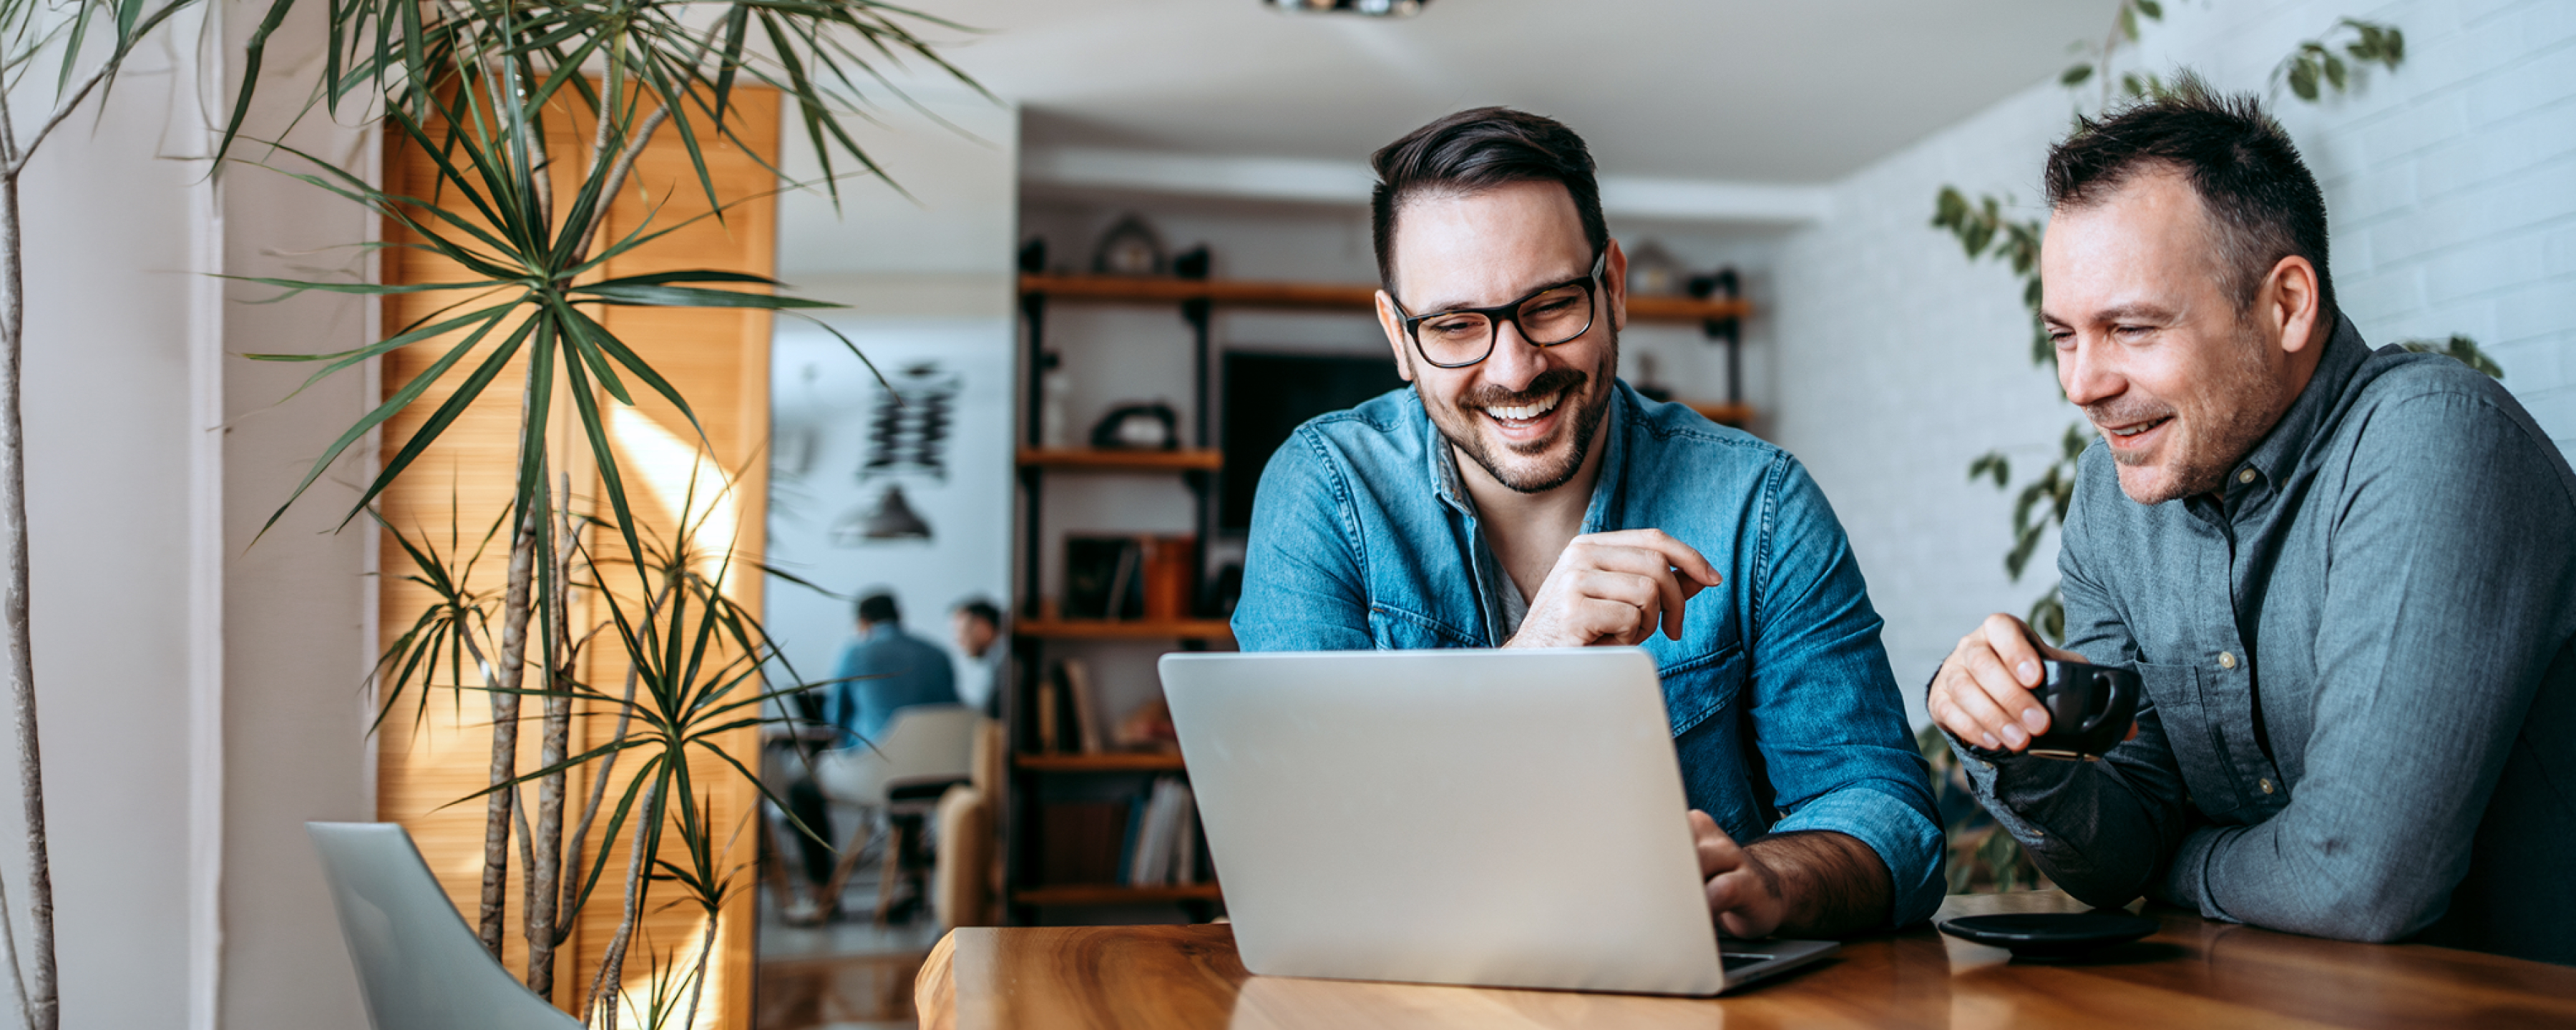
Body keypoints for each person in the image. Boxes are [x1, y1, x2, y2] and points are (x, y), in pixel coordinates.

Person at [1232, 107, 1944, 938]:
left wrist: (1774, 879)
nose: (1514, 369)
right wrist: (1523, 675)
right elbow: (1303, 837)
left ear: (1613, 288)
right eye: (1455, 326)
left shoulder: (1761, 503)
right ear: (1398, 334)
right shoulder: (1323, 491)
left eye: (1549, 305)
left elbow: (1887, 816)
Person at [1925, 82, 2575, 965]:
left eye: (2132, 328)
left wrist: (2179, 866)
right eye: (2064, 336)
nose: (2081, 385)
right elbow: (2125, 838)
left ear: (2288, 305)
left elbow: (2359, 882)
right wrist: (2009, 741)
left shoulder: (2433, 436)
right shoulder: (2110, 497)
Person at [829, 591, 960, 747]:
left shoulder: (855, 654)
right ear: (899, 616)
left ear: (862, 622)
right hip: (935, 753)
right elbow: (952, 710)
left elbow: (837, 717)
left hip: (874, 755)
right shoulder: (937, 653)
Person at [950, 596, 1005, 717]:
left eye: (962, 634)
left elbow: (994, 712)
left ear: (981, 627)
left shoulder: (1007, 663)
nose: (960, 644)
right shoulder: (1000, 658)